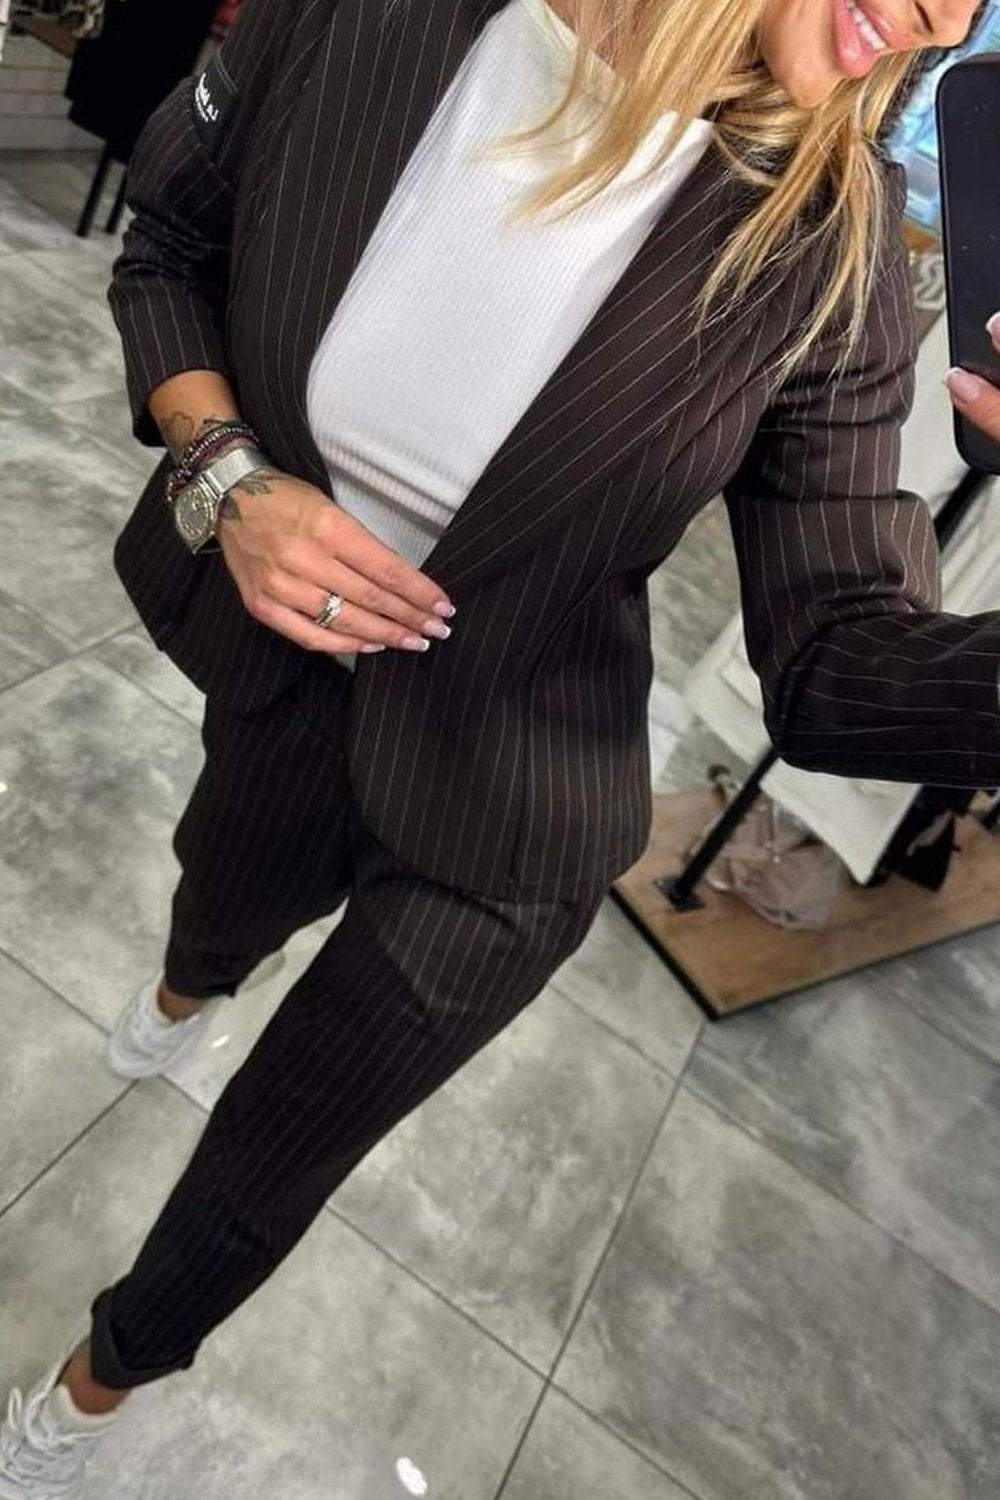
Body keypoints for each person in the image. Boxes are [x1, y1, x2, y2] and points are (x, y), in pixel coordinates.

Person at [2, 0, 997, 1491]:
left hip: (516, 809)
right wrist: (227, 478)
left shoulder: (832, 249)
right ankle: (190, 986)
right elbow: (171, 247)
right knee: (221, 893)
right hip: (287, 678)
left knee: (276, 1154)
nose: (946, 11)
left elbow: (840, 664)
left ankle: (95, 1391)